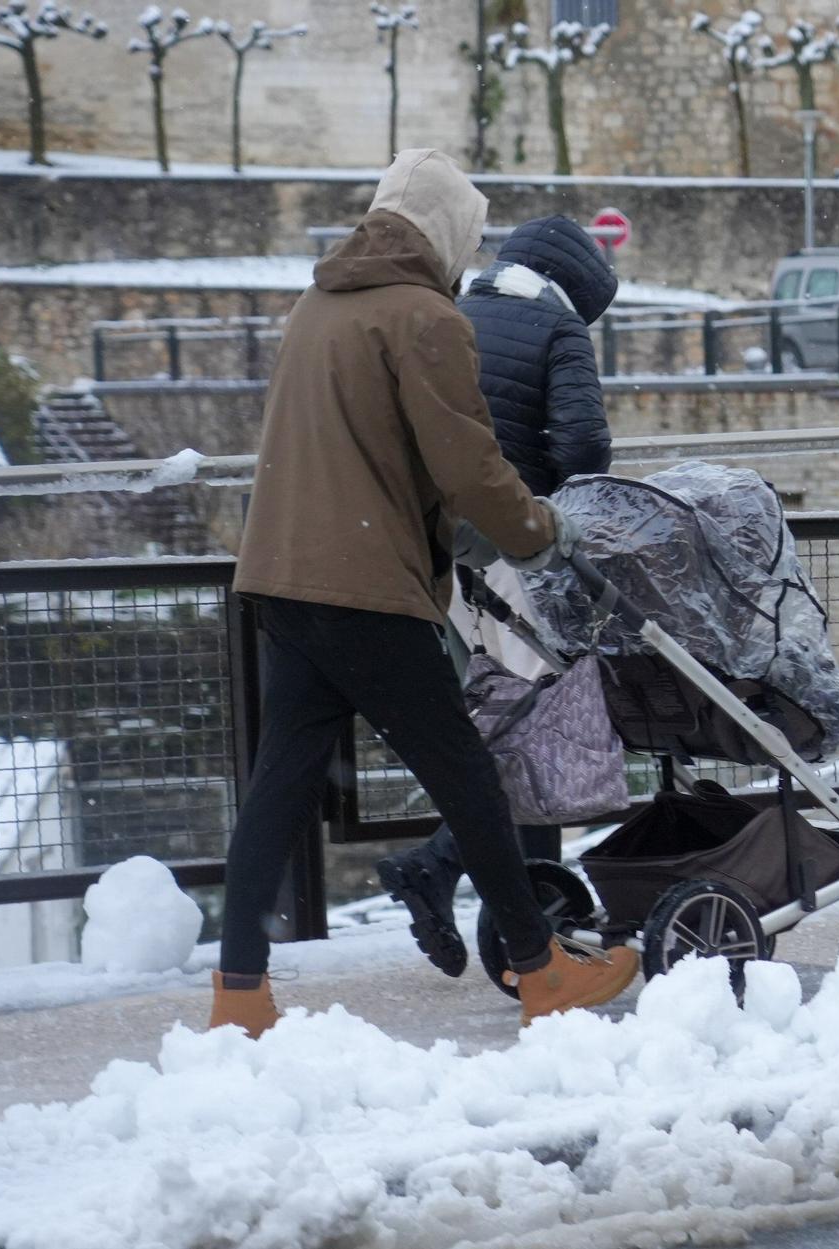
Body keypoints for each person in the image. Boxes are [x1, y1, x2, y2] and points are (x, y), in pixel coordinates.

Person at [210, 150, 638, 1038]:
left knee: (280, 787)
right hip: (367, 587)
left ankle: (239, 992)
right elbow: (471, 467)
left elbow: (364, 451)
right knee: (468, 776)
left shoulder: (317, 306)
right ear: (448, 231)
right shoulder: (425, 318)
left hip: (282, 579)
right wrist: (543, 533)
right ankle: (539, 965)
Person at [373, 213, 619, 978]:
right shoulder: (559, 329)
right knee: (535, 713)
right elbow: (582, 447)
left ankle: (488, 892)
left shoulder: (455, 312)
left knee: (481, 720)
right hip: (512, 549)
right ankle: (445, 867)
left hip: (430, 551)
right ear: (576, 290)